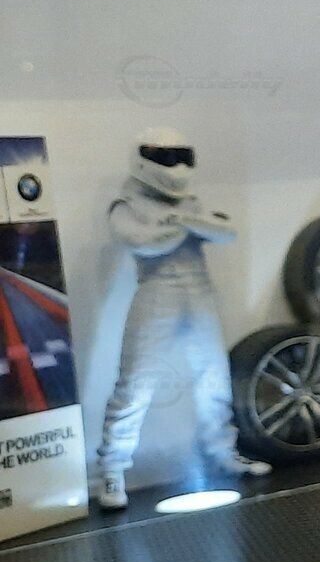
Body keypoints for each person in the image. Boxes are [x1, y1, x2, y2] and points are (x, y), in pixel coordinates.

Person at [95, 129, 269, 510]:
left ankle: (223, 453)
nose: (175, 166)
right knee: (135, 383)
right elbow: (142, 241)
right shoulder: (128, 203)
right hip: (156, 292)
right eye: (166, 157)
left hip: (199, 292)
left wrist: (182, 220)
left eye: (180, 157)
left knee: (213, 378)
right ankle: (112, 469)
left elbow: (226, 232)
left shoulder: (189, 203)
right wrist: (187, 223)